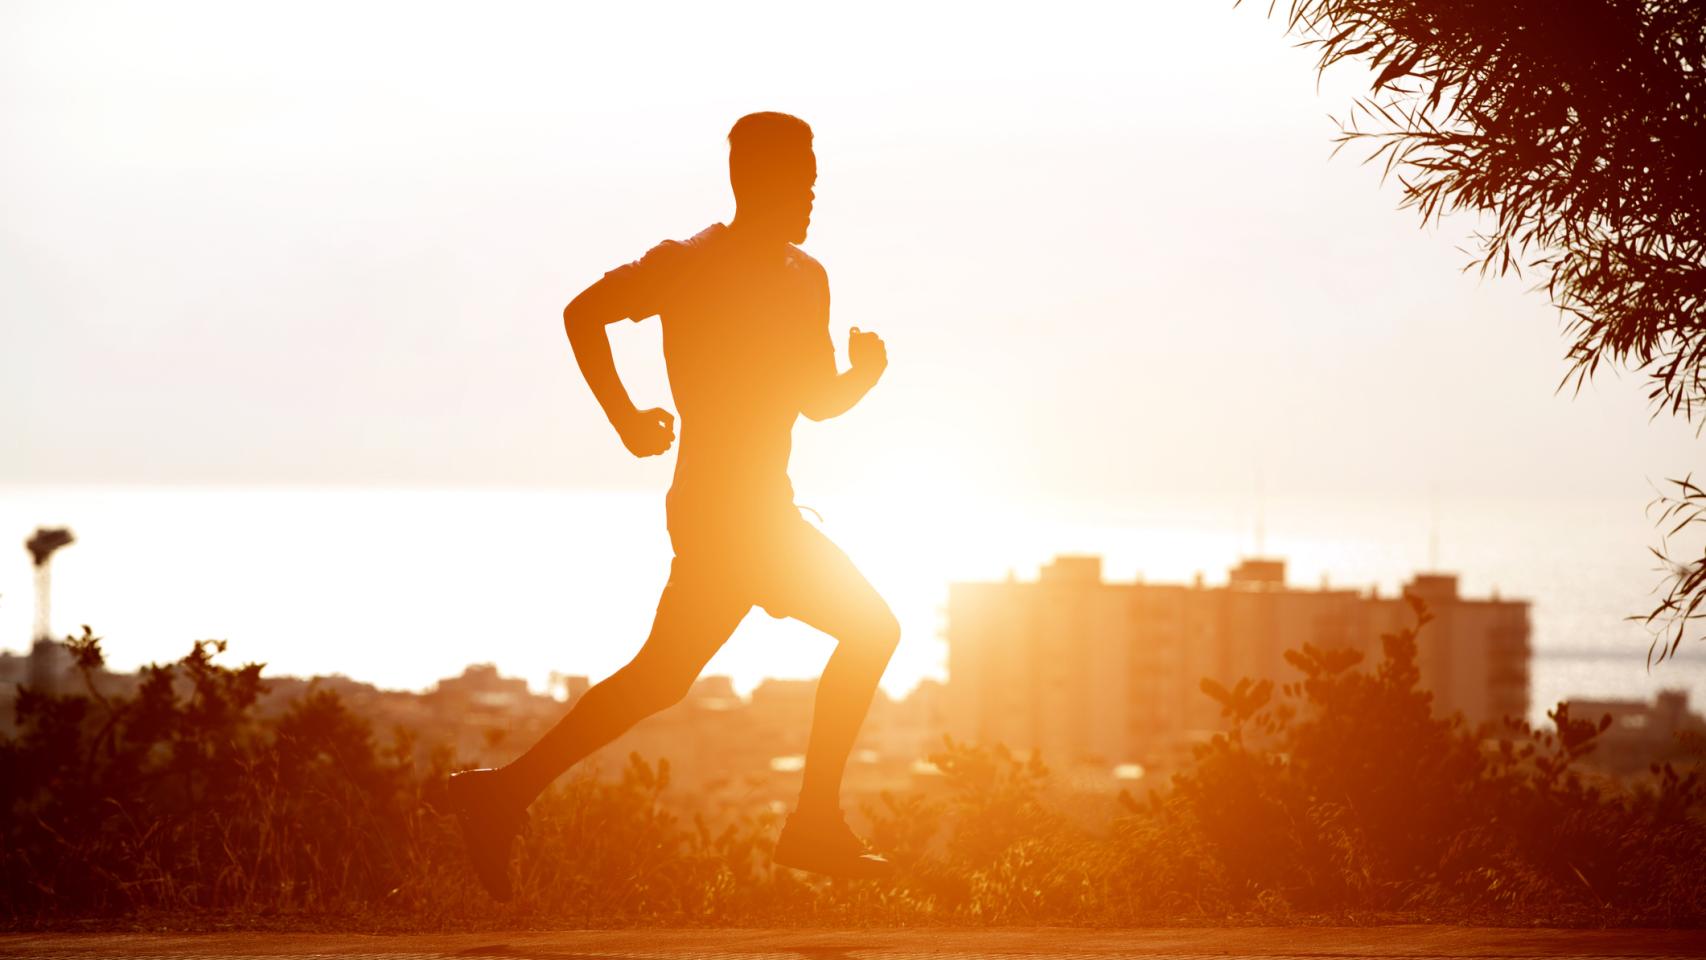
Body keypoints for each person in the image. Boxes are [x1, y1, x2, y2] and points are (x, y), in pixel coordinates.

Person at [448, 112, 900, 901]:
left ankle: (499, 794)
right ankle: (813, 825)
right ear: (754, 182)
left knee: (660, 679)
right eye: (801, 181)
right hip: (725, 511)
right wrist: (626, 420)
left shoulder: (806, 277)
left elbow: (815, 402)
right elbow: (582, 312)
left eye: (815, 181)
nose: (813, 196)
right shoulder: (690, 263)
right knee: (871, 629)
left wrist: (863, 374)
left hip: (763, 509)